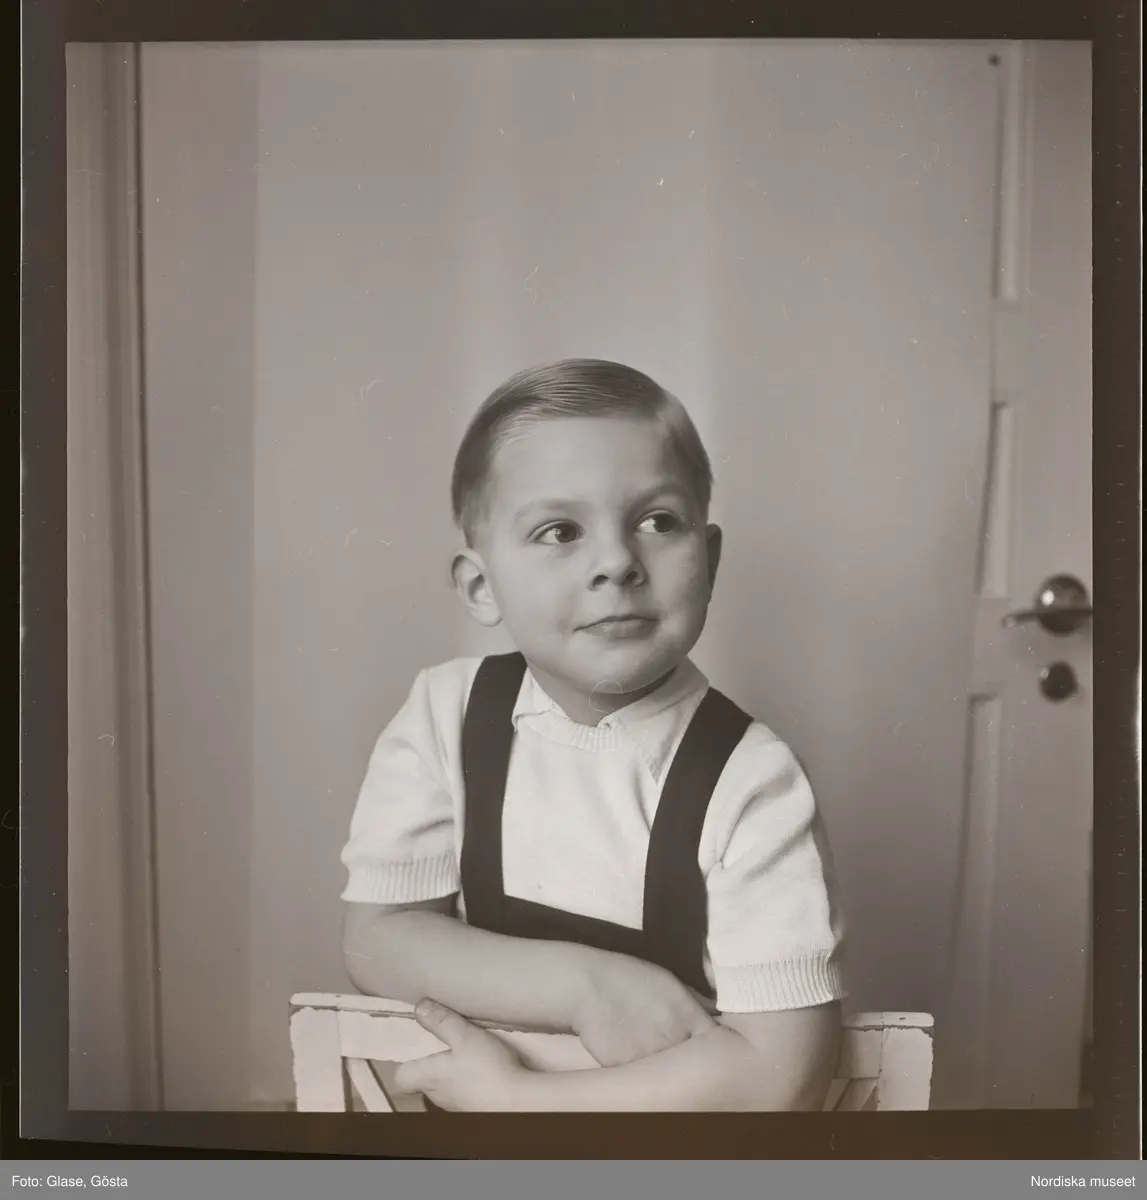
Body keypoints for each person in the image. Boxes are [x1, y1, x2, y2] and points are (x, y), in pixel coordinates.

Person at [340, 359, 845, 1111]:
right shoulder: (445, 715)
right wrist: (590, 987)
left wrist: (514, 1101)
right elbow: (377, 938)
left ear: (708, 561)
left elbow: (779, 1075)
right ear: (481, 586)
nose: (616, 562)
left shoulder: (752, 780)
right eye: (559, 531)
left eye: (658, 521)